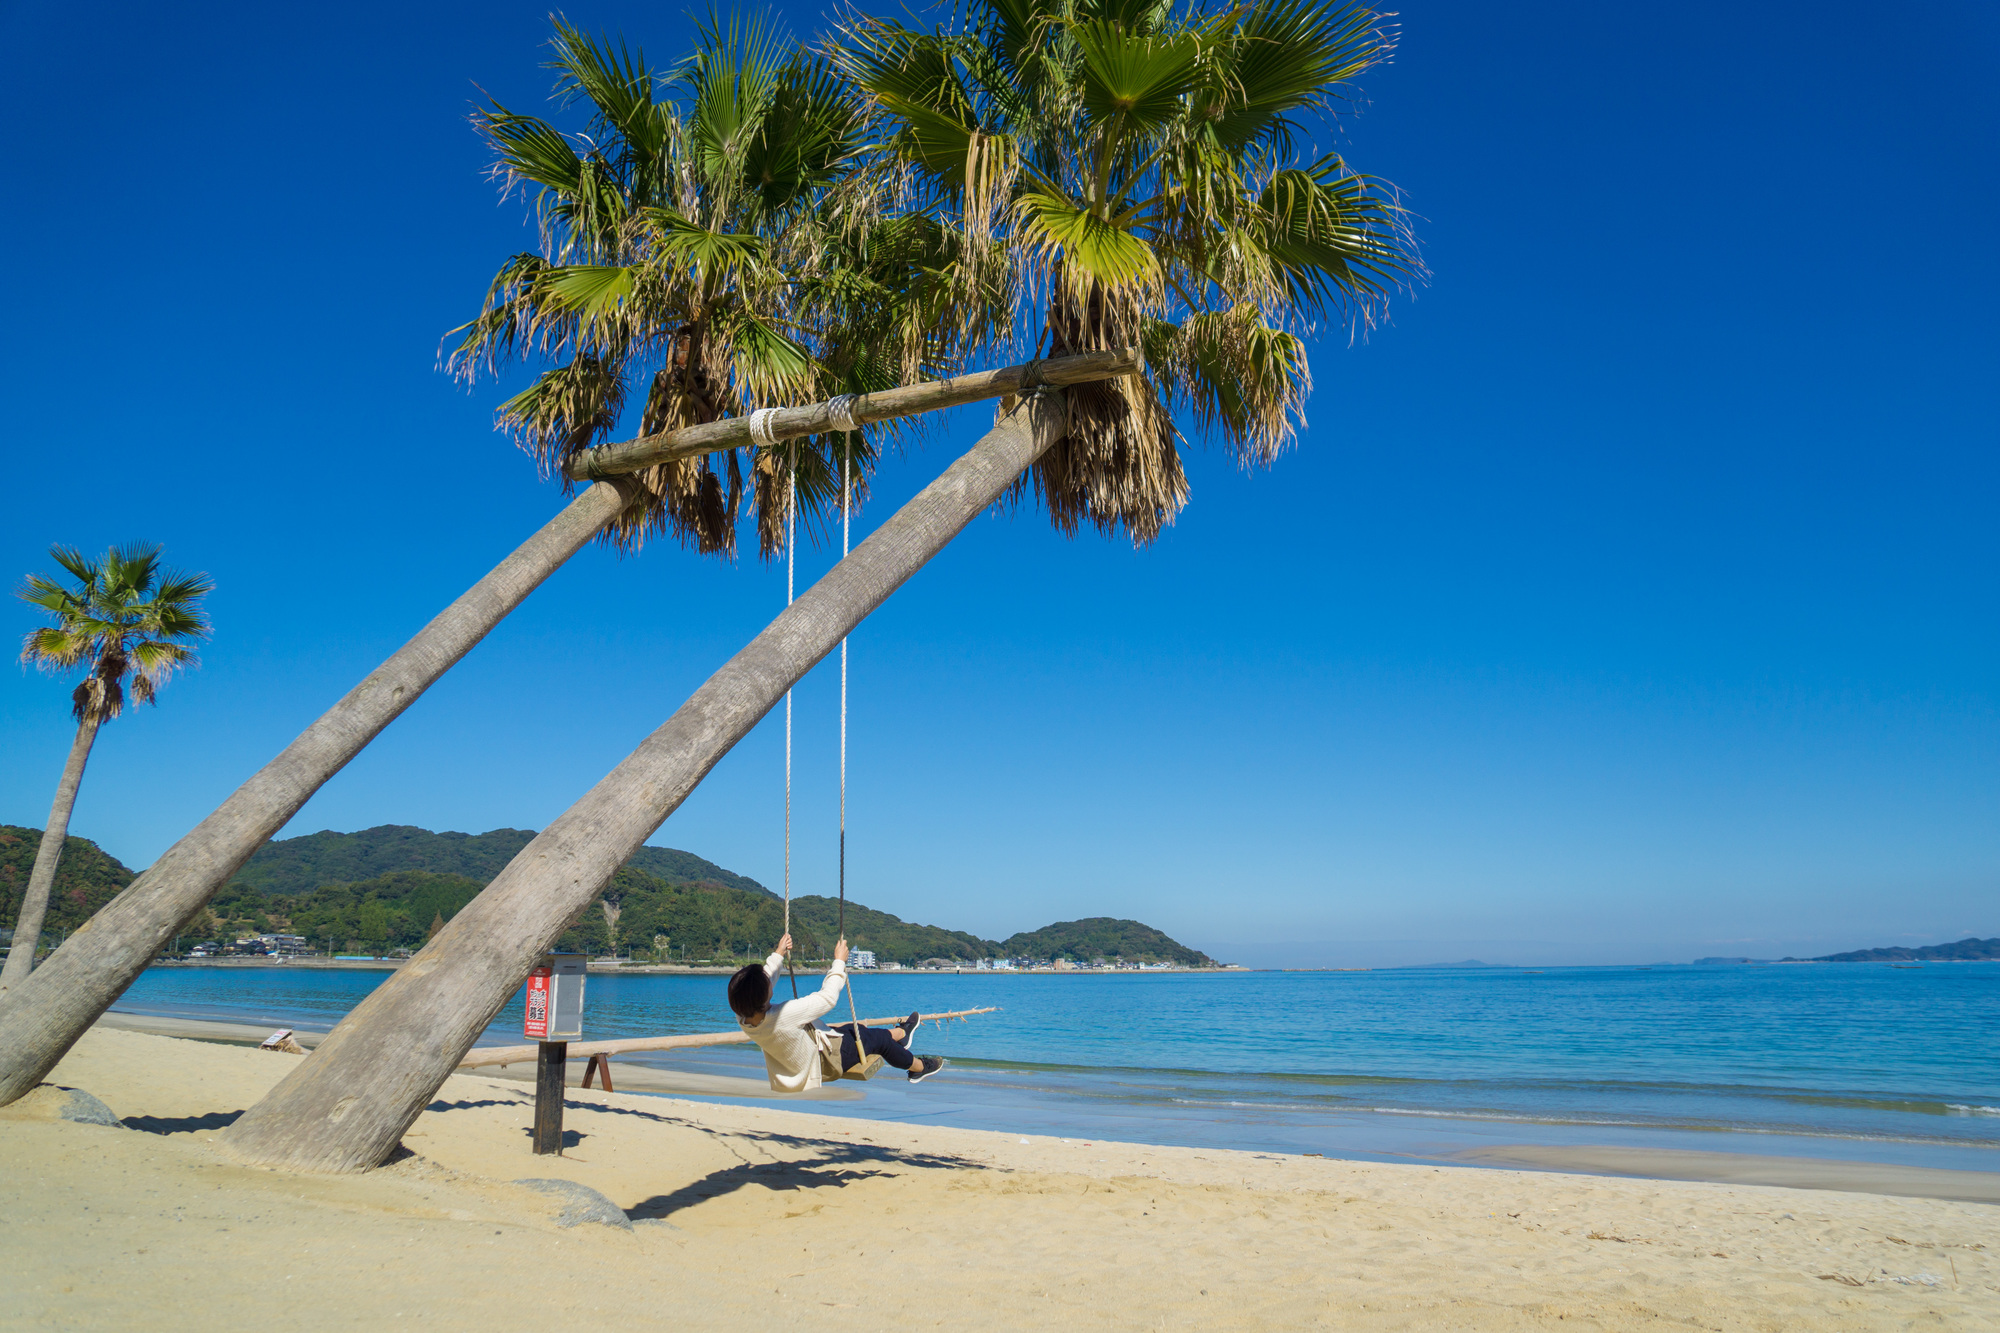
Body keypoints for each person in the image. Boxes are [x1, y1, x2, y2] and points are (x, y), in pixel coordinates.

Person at [728, 934, 946, 1090]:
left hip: (804, 1060)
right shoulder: (784, 1015)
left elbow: (764, 979)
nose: (769, 981)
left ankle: (901, 1034)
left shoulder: (743, 1015)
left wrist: (778, 953)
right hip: (826, 1063)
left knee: (856, 1029)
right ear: (763, 996)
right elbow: (827, 998)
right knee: (878, 1040)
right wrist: (839, 962)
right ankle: (918, 1068)